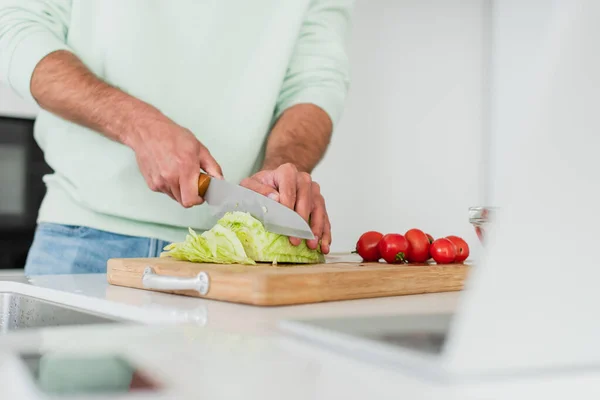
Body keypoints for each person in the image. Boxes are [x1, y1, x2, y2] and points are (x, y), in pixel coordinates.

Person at [0, 1, 352, 275]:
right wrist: (137, 125)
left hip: (237, 259)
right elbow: (16, 27)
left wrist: (278, 177)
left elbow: (315, 81)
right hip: (81, 242)